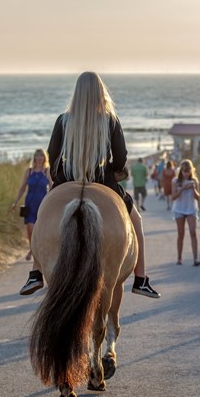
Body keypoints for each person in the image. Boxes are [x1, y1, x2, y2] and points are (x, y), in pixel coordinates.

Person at [43, 71, 160, 298]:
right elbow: (121, 156)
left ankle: (36, 272)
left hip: (68, 178)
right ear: (100, 92)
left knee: (42, 216)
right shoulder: (109, 119)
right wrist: (114, 172)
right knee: (137, 221)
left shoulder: (63, 120)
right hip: (103, 181)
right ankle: (141, 278)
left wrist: (59, 176)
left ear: (77, 93)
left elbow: (53, 154)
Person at [13, 149, 53, 295]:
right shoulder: (29, 171)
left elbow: (52, 185)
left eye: (41, 155)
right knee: (30, 230)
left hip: (42, 204)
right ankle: (32, 249)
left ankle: (33, 251)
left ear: (44, 157)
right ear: (34, 158)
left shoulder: (46, 171)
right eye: (37, 155)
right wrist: (16, 201)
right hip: (30, 203)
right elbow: (22, 187)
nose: (39, 158)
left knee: (38, 230)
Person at [171, 159, 200, 266]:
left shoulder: (194, 181)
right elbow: (173, 197)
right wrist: (182, 188)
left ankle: (196, 258)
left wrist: (193, 189)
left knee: (193, 232)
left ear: (191, 170)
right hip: (179, 209)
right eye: (184, 170)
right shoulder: (175, 181)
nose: (186, 173)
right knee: (181, 233)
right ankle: (179, 258)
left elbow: (197, 198)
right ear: (180, 171)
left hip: (191, 209)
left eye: (188, 170)